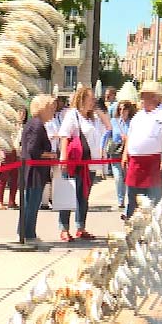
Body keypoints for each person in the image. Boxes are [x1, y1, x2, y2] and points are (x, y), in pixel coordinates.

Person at [56, 86, 110, 242]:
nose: (93, 101)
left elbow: (108, 127)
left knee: (83, 196)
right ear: (82, 99)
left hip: (90, 164)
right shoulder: (72, 115)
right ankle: (64, 228)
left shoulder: (93, 118)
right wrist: (64, 158)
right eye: (91, 99)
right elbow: (65, 136)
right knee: (68, 195)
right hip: (75, 163)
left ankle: (80, 227)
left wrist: (99, 111)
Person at [121, 81, 162, 219]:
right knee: (133, 199)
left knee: (153, 200)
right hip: (135, 162)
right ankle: (131, 227)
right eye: (142, 95)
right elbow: (130, 136)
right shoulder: (138, 116)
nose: (142, 98)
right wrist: (125, 154)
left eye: (146, 95)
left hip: (154, 162)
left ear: (156, 97)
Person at [20, 95, 57, 241]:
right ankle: (29, 234)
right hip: (34, 171)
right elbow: (33, 150)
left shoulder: (33, 123)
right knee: (32, 204)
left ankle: (25, 232)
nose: (53, 112)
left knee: (30, 203)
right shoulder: (36, 125)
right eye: (51, 108)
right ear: (43, 109)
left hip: (32, 170)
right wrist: (50, 155)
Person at [107, 100, 136, 208]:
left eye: (124, 109)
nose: (122, 111)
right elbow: (107, 135)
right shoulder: (114, 121)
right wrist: (102, 149)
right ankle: (120, 200)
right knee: (118, 177)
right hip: (116, 152)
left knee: (128, 177)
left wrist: (128, 139)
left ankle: (130, 199)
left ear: (129, 110)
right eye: (120, 109)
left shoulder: (132, 122)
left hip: (129, 153)